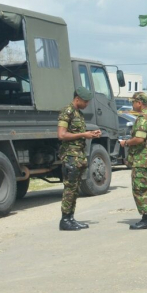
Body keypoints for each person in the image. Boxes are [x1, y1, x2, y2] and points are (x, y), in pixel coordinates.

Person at [57, 86, 102, 231]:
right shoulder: (67, 111)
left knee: (75, 189)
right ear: (77, 99)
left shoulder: (78, 113)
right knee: (70, 188)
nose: (87, 104)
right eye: (85, 101)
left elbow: (76, 133)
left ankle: (71, 218)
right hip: (70, 156)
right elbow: (62, 135)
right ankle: (65, 220)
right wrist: (84, 135)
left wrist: (91, 133)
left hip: (79, 155)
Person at [119, 91, 147, 230]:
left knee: (140, 189)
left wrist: (126, 142)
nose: (132, 105)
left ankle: (146, 219)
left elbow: (139, 139)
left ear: (139, 103)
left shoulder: (143, 118)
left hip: (142, 160)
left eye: (133, 102)